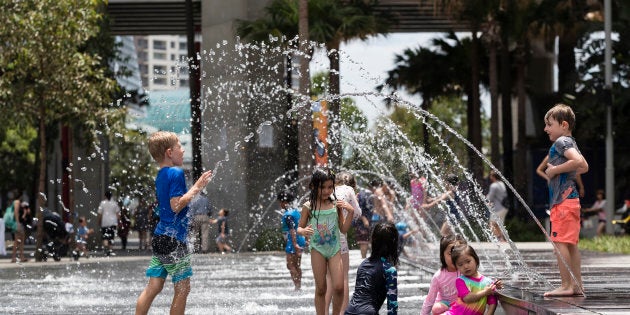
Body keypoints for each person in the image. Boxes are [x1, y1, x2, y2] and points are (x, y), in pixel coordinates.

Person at [135, 131, 213, 315]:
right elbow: (176, 205)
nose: (183, 150)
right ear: (169, 152)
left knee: (153, 286)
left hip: (161, 237)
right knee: (183, 288)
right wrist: (198, 186)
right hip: (174, 241)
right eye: (179, 146)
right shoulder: (176, 173)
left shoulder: (161, 174)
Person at [538, 103, 589, 297]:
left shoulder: (561, 143)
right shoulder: (570, 142)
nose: (546, 129)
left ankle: (567, 285)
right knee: (570, 244)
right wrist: (564, 169)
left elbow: (578, 163)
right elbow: (584, 166)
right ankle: (577, 285)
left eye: (549, 124)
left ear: (564, 125)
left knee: (559, 243)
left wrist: (554, 170)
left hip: (563, 202)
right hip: (571, 201)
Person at [297, 167, 354, 315]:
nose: (327, 191)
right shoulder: (308, 206)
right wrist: (303, 231)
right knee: (321, 288)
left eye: (330, 187)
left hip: (335, 249)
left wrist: (351, 212)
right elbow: (299, 228)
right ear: (313, 186)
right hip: (317, 250)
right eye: (323, 187)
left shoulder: (336, 205)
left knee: (339, 287)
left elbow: (343, 229)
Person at [325, 171, 362, 313]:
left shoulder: (330, 189)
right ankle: (342, 312)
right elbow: (357, 213)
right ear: (352, 183)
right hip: (339, 237)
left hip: (324, 236)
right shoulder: (349, 190)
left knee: (328, 278)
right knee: (343, 277)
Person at [345, 221, 398, 315]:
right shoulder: (389, 270)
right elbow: (392, 306)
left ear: (373, 241)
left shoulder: (363, 264)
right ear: (393, 244)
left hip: (349, 311)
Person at [448, 243, 502, 315]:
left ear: (476, 260)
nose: (465, 266)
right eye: (460, 265)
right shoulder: (460, 281)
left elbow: (493, 302)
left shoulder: (487, 282)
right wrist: (485, 292)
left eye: (468, 261)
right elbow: (467, 298)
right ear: (456, 267)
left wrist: (496, 287)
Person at [421, 234, 466, 315]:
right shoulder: (438, 276)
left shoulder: (466, 271)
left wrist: (492, 286)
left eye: (458, 253)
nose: (454, 257)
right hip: (445, 306)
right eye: (450, 253)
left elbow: (480, 280)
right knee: (437, 308)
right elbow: (429, 300)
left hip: (461, 305)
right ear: (443, 255)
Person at [278, 191, 306, 291]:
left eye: (280, 202)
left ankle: (297, 286)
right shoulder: (296, 212)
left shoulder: (288, 215)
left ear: (284, 202)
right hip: (300, 239)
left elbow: (292, 229)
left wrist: (294, 244)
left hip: (293, 241)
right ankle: (299, 286)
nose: (280, 204)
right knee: (297, 265)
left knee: (290, 265)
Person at [355, 180, 378, 258]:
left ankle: (366, 260)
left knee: (367, 242)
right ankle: (364, 259)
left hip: (369, 221)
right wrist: (364, 219)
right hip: (364, 222)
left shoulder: (370, 194)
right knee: (364, 242)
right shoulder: (364, 194)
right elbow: (358, 209)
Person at [486, 171, 508, 242]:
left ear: (493, 177)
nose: (490, 177)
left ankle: (499, 238)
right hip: (504, 207)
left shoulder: (493, 186)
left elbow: (490, 198)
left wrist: (486, 197)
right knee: (499, 224)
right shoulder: (502, 184)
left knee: (492, 224)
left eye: (491, 176)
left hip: (498, 208)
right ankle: (502, 239)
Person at [97, 191, 120, 256]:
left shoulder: (102, 203)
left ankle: (106, 249)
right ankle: (110, 250)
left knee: (105, 237)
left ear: (105, 196)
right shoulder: (114, 203)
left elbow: (100, 213)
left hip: (105, 222)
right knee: (111, 237)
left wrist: (99, 221)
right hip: (113, 222)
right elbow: (118, 214)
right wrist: (118, 222)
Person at [11, 198, 28, 263]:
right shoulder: (17, 202)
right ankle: (14, 258)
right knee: (17, 241)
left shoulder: (18, 203)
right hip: (18, 224)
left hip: (19, 224)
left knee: (21, 241)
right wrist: (18, 223)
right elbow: (16, 212)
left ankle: (21, 257)